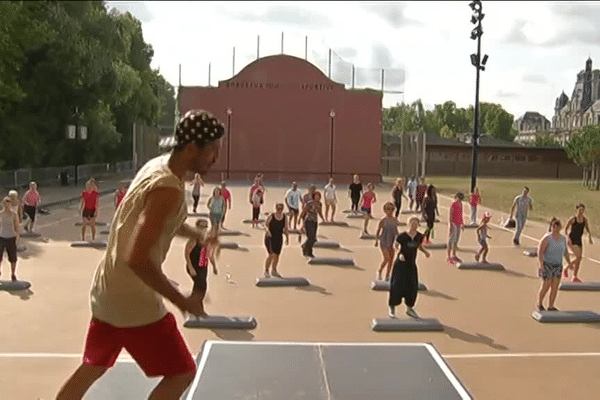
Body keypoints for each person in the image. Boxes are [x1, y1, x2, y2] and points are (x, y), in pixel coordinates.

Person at [56, 109, 225, 400]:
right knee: (182, 372)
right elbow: (138, 257)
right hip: (134, 303)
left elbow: (160, 221)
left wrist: (197, 234)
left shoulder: (157, 166)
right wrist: (181, 300)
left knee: (91, 368)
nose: (215, 159)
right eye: (212, 151)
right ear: (191, 148)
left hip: (108, 290)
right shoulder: (168, 189)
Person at [388, 216, 430, 319]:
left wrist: (425, 252)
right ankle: (392, 307)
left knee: (412, 286)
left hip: (411, 265)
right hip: (400, 265)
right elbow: (396, 245)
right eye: (412, 223)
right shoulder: (402, 236)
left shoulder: (419, 236)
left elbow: (419, 246)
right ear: (409, 223)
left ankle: (409, 308)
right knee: (396, 285)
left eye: (416, 224)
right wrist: (399, 254)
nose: (414, 226)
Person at [184, 218, 218, 318]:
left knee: (200, 287)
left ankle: (191, 304)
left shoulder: (206, 240)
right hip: (194, 267)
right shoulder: (193, 240)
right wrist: (190, 267)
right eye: (202, 226)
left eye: (205, 227)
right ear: (197, 227)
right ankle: (199, 309)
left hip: (203, 266)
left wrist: (214, 266)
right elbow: (186, 254)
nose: (204, 229)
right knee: (200, 287)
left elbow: (210, 255)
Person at [536, 218, 572, 312]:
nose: (554, 228)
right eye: (553, 226)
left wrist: (569, 263)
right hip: (548, 264)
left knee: (555, 286)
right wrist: (541, 264)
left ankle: (551, 306)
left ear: (559, 227)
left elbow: (566, 252)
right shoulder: (547, 238)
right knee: (546, 285)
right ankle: (540, 303)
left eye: (556, 226)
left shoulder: (563, 239)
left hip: (558, 265)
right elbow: (540, 252)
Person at [564, 204, 593, 282]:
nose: (581, 211)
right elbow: (565, 230)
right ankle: (566, 267)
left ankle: (574, 276)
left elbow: (587, 229)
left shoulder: (584, 220)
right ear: (577, 210)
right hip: (572, 240)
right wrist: (568, 239)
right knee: (578, 257)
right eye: (580, 209)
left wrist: (589, 237)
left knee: (579, 260)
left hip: (579, 240)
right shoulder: (573, 219)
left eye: (582, 210)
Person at [374, 202, 400, 281]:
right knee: (387, 258)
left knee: (391, 260)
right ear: (385, 210)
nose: (390, 211)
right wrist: (376, 240)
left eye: (392, 209)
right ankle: (380, 271)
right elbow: (378, 230)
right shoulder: (383, 220)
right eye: (388, 209)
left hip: (391, 241)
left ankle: (387, 275)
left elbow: (396, 231)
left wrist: (398, 241)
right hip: (384, 241)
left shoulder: (395, 220)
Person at [264, 203, 289, 278]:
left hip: (279, 237)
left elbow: (286, 228)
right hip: (270, 237)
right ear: (276, 209)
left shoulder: (284, 217)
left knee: (277, 255)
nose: (279, 210)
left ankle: (274, 270)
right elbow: (266, 224)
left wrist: (287, 238)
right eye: (278, 209)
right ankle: (266, 270)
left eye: (281, 209)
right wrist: (267, 230)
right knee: (271, 254)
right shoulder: (271, 216)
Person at [0, 196, 20, 281]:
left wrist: (17, 237)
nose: (7, 206)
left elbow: (17, 226)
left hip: (11, 237)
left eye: (8, 204)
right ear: (3, 204)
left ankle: (13, 273)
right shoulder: (0, 214)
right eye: (5, 204)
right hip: (1, 237)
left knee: (13, 258)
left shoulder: (14, 214)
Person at [299, 191, 325, 258]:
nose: (317, 197)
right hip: (308, 221)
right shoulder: (309, 203)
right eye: (316, 196)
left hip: (314, 221)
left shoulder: (320, 204)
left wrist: (323, 218)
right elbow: (304, 212)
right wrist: (300, 220)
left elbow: (320, 212)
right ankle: (307, 251)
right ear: (314, 196)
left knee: (313, 238)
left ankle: (306, 248)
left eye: (318, 196)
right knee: (310, 237)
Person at [446, 192, 465, 265]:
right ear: (457, 196)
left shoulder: (461, 204)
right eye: (459, 198)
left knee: (456, 240)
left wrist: (462, 223)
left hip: (458, 223)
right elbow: (451, 213)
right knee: (451, 239)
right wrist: (450, 224)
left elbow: (461, 214)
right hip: (453, 223)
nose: (460, 199)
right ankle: (448, 256)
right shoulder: (453, 203)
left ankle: (454, 255)